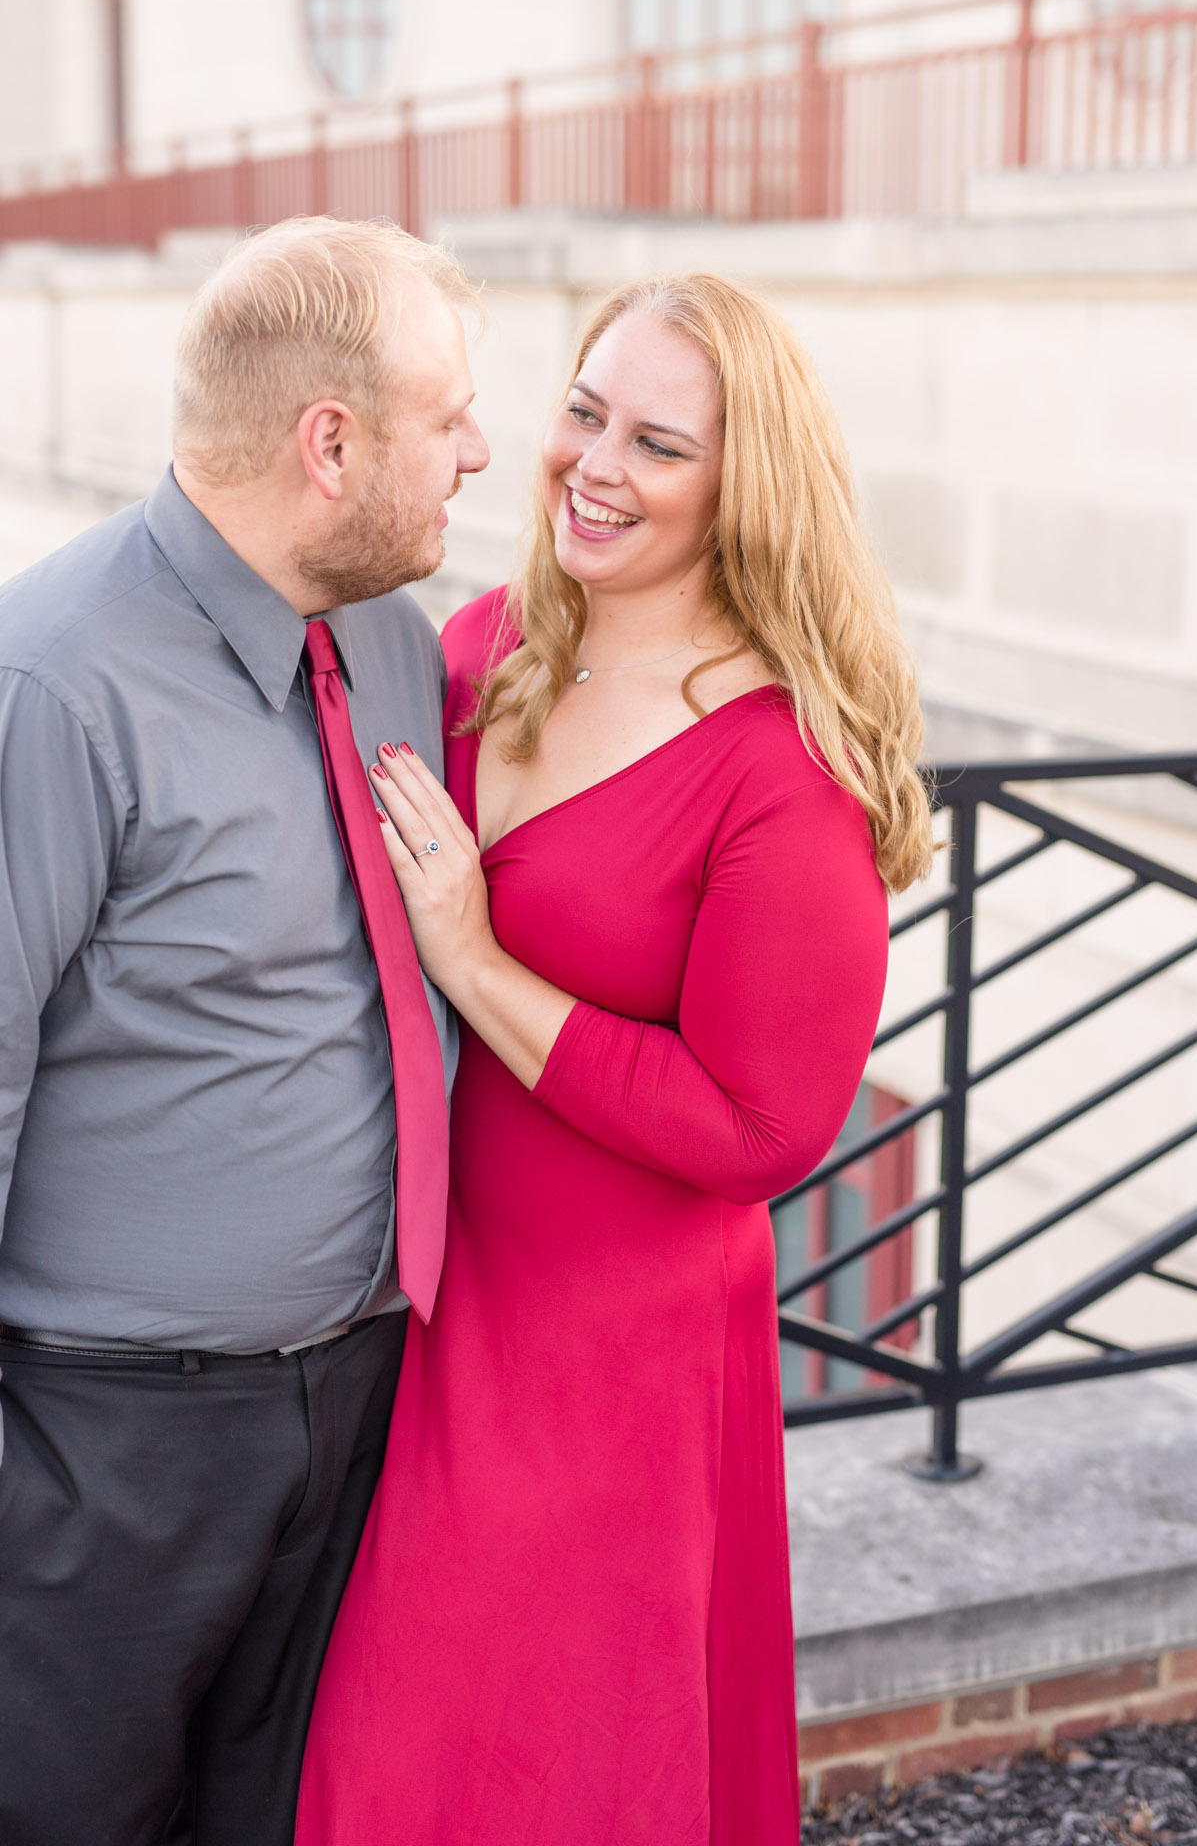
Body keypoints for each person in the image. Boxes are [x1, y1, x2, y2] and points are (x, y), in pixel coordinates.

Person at [296, 274, 934, 1845]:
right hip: (414, 1307)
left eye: (658, 442)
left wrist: (480, 964)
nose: (595, 463)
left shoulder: (783, 767)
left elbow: (759, 1128)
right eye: (585, 411)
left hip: (610, 1358)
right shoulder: (483, 645)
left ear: (742, 487)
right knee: (366, 1761)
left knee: (533, 1767)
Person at [0, 215, 490, 1846]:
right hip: (104, 1439)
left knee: (272, 1816)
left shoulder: (399, 646)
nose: (480, 453)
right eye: (450, 419)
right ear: (330, 443)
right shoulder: (54, 681)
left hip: (359, 1395)